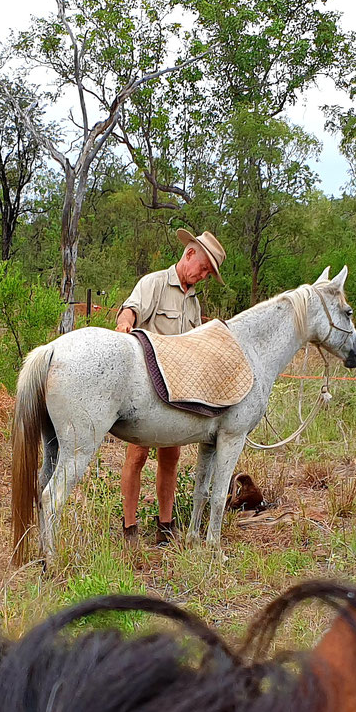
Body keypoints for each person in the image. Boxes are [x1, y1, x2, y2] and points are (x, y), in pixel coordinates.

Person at [114, 229, 225, 544]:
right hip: (147, 392)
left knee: (171, 456)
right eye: (203, 268)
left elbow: (197, 342)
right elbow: (131, 309)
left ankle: (165, 526)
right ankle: (130, 529)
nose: (203, 275)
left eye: (208, 273)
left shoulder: (193, 302)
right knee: (137, 454)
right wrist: (125, 324)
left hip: (178, 393)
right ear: (189, 254)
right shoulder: (155, 283)